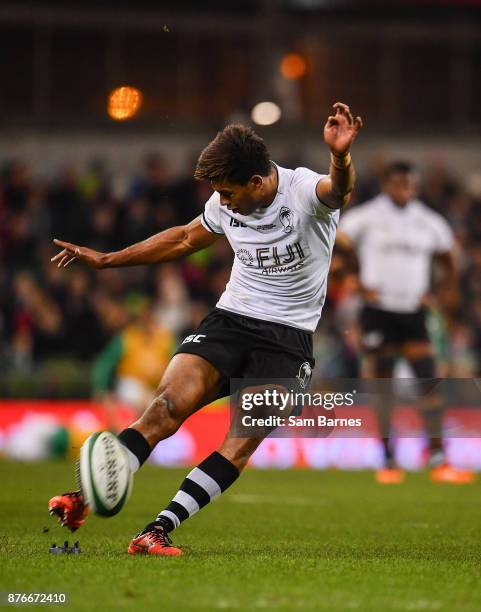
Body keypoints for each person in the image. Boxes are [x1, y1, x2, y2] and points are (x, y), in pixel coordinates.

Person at [48, 102, 363, 555]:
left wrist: (340, 156)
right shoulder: (226, 199)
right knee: (165, 407)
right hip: (230, 320)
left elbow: (339, 190)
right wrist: (108, 259)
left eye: (229, 193)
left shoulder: (304, 192)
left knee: (237, 444)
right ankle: (84, 498)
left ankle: (158, 529)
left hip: (288, 339)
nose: (223, 201)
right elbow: (183, 238)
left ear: (256, 182)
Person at [337, 161, 475, 485]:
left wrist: (439, 294)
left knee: (429, 383)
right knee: (383, 387)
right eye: (399, 183)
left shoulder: (428, 222)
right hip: (378, 310)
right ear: (386, 184)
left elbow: (449, 261)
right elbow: (336, 245)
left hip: (413, 312)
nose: (405, 189)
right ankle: (388, 460)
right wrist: (352, 281)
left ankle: (440, 458)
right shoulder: (366, 216)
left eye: (410, 184)